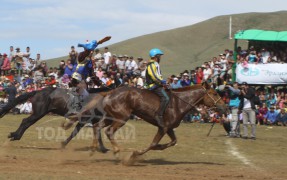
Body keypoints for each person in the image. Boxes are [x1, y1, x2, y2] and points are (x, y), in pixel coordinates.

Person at [145, 48, 169, 127]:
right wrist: (162, 81)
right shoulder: (152, 64)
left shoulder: (155, 64)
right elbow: (153, 75)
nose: (160, 58)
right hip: (153, 85)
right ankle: (159, 115)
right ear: (155, 56)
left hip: (157, 84)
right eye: (159, 56)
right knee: (166, 98)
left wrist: (163, 82)